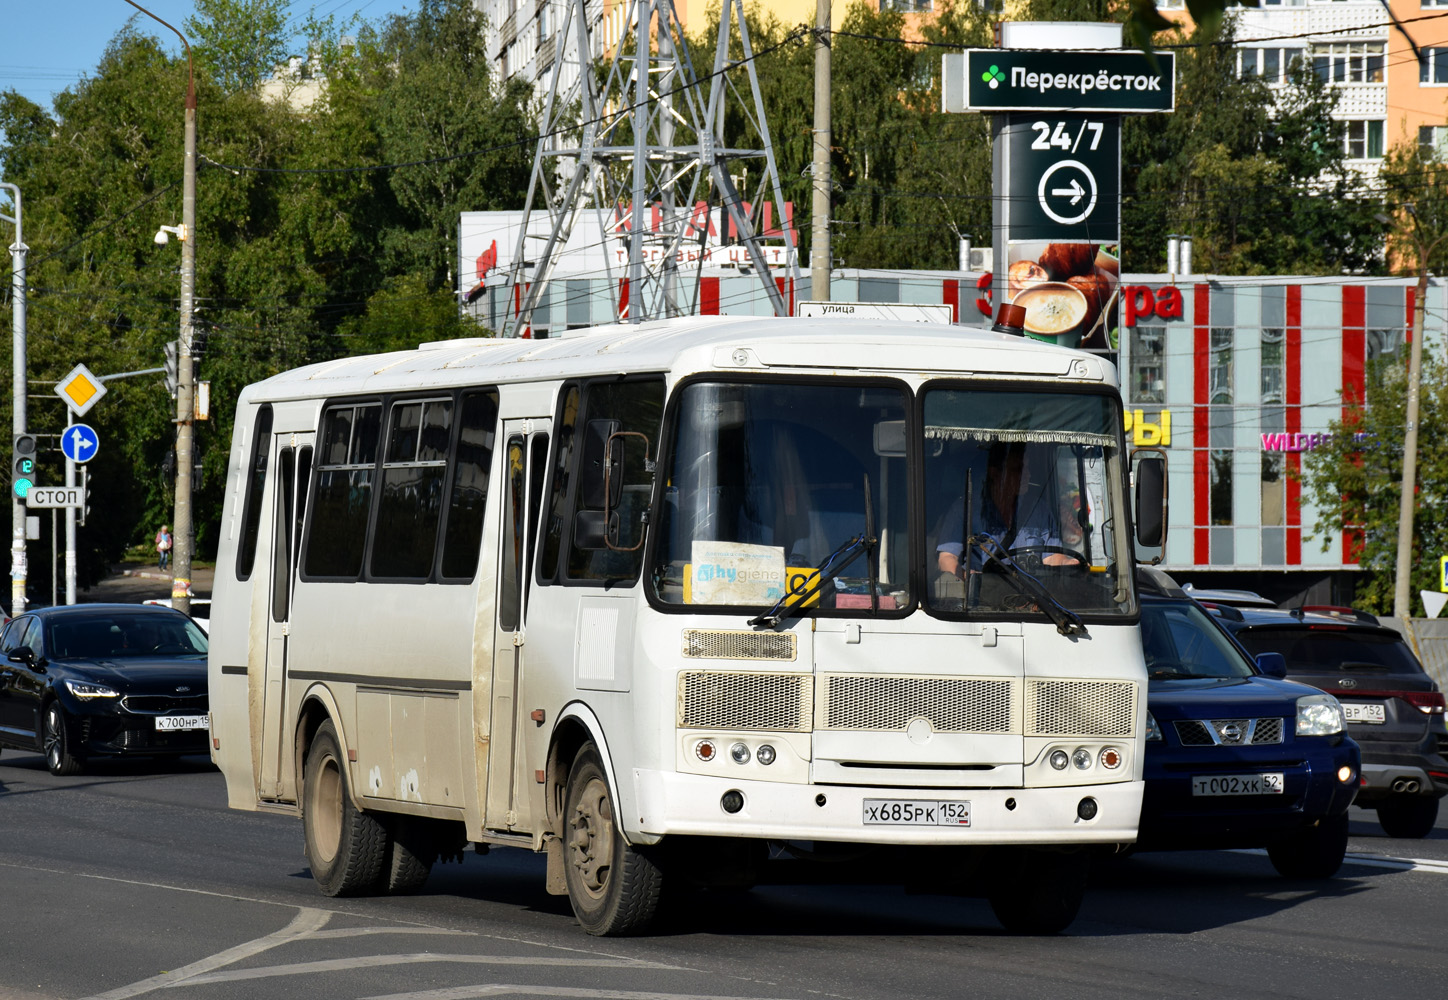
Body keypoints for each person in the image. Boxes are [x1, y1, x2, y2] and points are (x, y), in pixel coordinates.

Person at [935, 441, 1077, 586]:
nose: (1027, 475)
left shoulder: (1039, 510)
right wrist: (966, 577)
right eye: (1018, 469)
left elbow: (1051, 558)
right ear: (995, 473)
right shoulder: (965, 509)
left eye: (1027, 468)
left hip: (1031, 597)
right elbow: (946, 558)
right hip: (979, 599)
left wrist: (1068, 563)